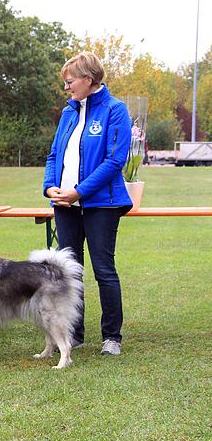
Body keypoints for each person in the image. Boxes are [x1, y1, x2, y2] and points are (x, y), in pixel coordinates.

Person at [42, 51, 132, 356]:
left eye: (70, 81)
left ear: (88, 79)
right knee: (69, 271)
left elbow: (115, 160)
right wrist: (50, 187)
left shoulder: (115, 110)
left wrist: (79, 191)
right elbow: (54, 155)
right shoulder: (68, 113)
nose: (67, 87)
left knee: (103, 269)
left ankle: (112, 337)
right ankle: (74, 334)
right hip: (65, 205)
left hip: (101, 205)